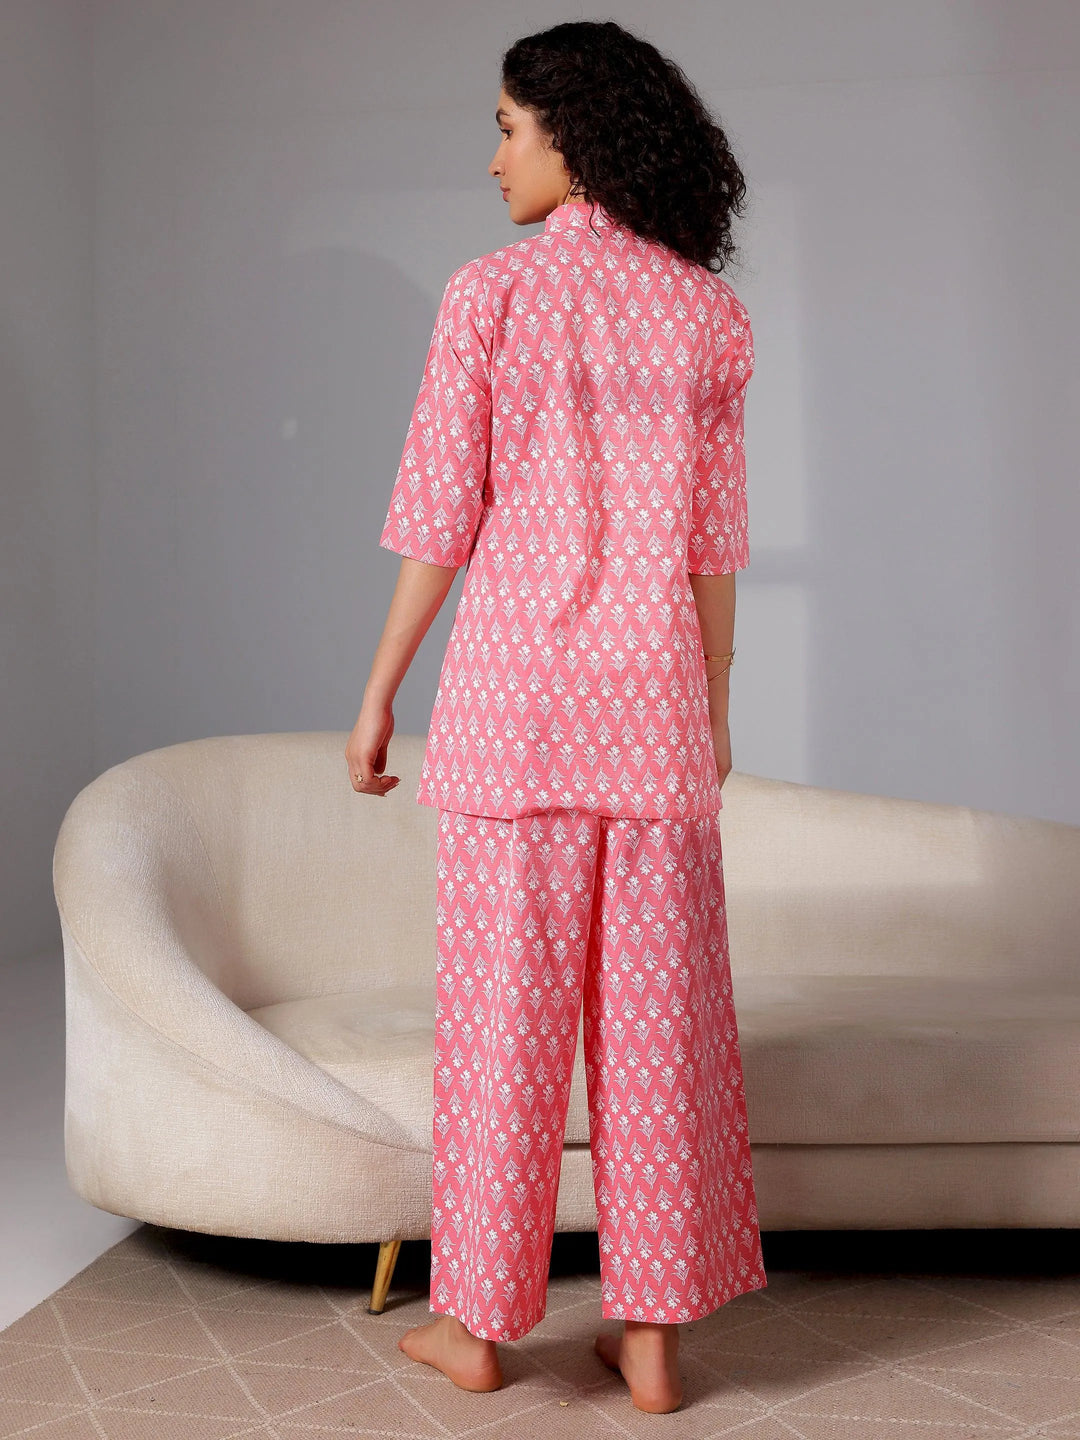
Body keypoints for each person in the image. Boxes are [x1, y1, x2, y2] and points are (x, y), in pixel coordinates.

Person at [346, 19, 767, 1415]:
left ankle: (476, 1330)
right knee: (659, 1042)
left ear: (572, 138)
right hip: (652, 721)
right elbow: (712, 547)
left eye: (509, 128)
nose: (493, 158)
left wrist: (380, 691)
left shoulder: (491, 296)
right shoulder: (707, 316)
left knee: (501, 1036)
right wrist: (712, 712)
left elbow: (440, 519)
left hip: (512, 721)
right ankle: (650, 1340)